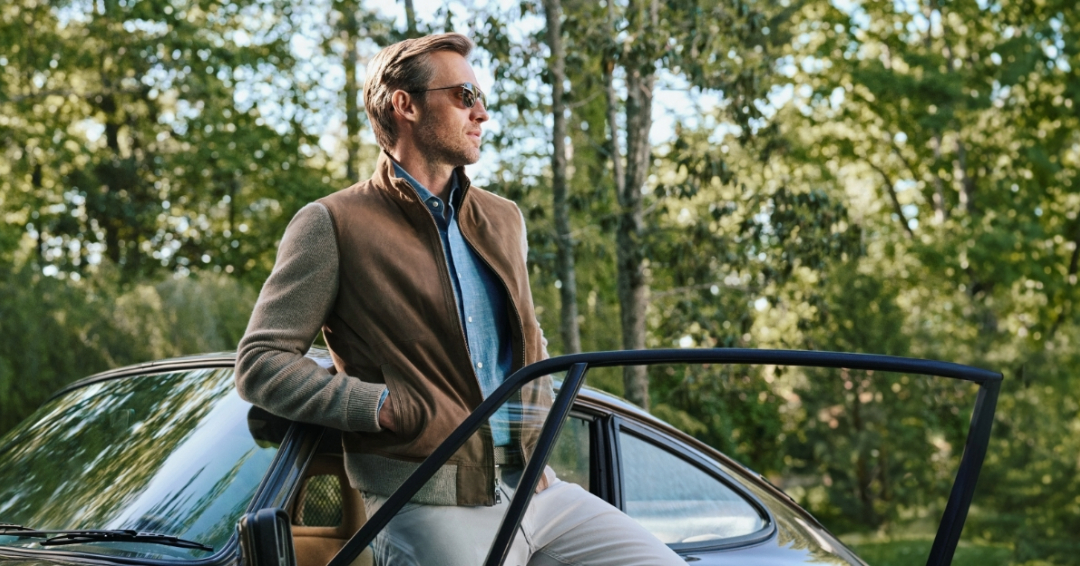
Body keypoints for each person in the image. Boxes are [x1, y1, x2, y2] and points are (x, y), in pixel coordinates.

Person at [236, 32, 683, 566]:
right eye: (465, 96)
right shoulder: (332, 224)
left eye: (482, 98)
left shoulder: (503, 218)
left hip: (536, 489)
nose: (482, 114)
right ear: (405, 104)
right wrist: (378, 406)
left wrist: (536, 440)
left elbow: (530, 348)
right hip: (424, 497)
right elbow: (261, 364)